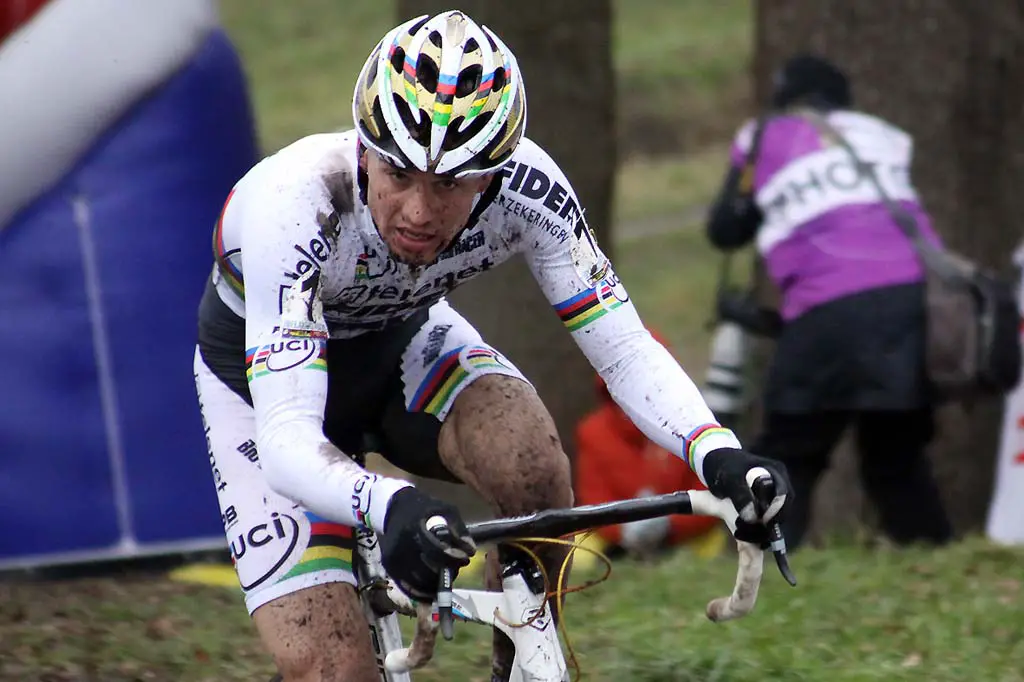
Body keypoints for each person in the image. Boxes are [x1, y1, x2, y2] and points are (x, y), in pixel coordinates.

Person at [195, 11, 792, 682]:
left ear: (492, 177)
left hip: (401, 343)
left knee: (534, 467)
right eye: (399, 175)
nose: (419, 212)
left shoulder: (531, 190)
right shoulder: (297, 202)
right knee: (332, 670)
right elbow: (286, 439)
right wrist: (390, 504)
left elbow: (622, 347)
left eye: (450, 184)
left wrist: (716, 451)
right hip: (261, 389)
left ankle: (525, 664)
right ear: (363, 148)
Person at [704, 53, 953, 551]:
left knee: (789, 452)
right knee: (896, 455)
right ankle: (935, 556)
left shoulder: (762, 134)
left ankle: (771, 563)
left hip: (826, 309)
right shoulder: (882, 135)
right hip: (915, 302)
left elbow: (725, 229)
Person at [575, 329, 724, 559]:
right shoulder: (593, 432)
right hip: (616, 543)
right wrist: (623, 530)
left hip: (684, 537)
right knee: (579, 554)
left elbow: (712, 496)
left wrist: (670, 525)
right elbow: (593, 502)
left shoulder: (693, 424)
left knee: (716, 546)